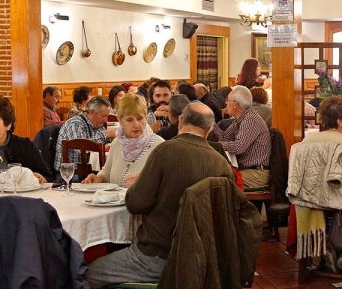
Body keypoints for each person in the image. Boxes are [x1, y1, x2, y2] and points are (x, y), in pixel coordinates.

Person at [85, 102, 236, 288]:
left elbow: (135, 204)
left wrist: (140, 183)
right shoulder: (222, 164)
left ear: (180, 121)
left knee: (88, 272)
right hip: (202, 259)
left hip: (157, 255)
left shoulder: (164, 151)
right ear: (211, 129)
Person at [287, 95, 342, 273]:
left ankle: (328, 247)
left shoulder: (305, 142)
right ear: (340, 121)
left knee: (332, 205)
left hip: (309, 201)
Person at [0, 95, 52, 196]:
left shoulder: (24, 145)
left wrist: (41, 178)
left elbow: (47, 176)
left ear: (8, 124)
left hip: (24, 201)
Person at [82, 94, 164, 187]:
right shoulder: (117, 143)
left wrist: (145, 181)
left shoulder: (159, 146)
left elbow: (166, 183)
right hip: (115, 200)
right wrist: (98, 178)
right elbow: (106, 173)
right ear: (120, 120)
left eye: (140, 118)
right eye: (129, 120)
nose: (136, 125)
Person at [214, 85, 270, 189]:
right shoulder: (241, 118)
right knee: (216, 179)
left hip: (256, 174)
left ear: (236, 104)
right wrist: (208, 122)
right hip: (249, 171)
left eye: (227, 100)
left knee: (219, 183)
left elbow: (238, 147)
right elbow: (224, 137)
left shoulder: (250, 120)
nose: (225, 103)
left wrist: (215, 145)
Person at [54, 96, 112, 171]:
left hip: (87, 169)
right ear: (91, 112)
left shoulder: (97, 123)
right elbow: (81, 149)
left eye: (107, 116)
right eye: (103, 116)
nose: (106, 120)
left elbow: (102, 141)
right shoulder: (75, 124)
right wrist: (106, 134)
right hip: (70, 173)